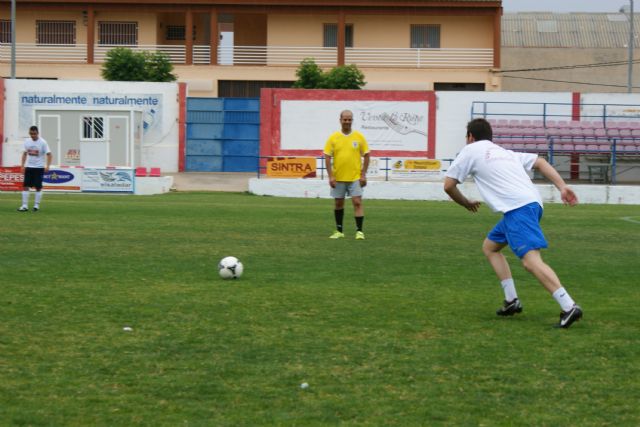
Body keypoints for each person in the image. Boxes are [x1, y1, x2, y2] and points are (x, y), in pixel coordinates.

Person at [443, 118, 583, 329]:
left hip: (519, 209)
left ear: (470, 137)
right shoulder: (504, 152)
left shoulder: (470, 150)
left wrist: (465, 203)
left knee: (530, 261)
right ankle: (512, 301)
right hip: (529, 206)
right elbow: (541, 162)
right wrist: (562, 186)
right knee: (490, 247)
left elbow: (448, 185)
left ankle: (568, 305)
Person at [324, 110, 370, 240]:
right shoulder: (333, 138)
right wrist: (331, 176)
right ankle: (339, 231)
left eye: (349, 119)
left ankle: (359, 232)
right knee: (338, 204)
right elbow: (327, 156)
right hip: (338, 177)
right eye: (345, 119)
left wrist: (363, 174)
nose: (347, 122)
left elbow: (367, 155)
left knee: (357, 202)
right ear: (340, 120)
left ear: (352, 120)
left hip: (355, 177)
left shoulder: (359, 137)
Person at [18, 125, 52, 212]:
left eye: (34, 134)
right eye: (31, 134)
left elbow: (49, 154)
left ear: (38, 133)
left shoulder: (43, 142)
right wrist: (22, 165)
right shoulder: (27, 142)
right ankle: (24, 206)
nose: (32, 135)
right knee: (25, 186)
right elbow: (25, 154)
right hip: (29, 167)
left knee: (38, 187)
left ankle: (36, 206)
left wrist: (47, 166)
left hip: (39, 167)